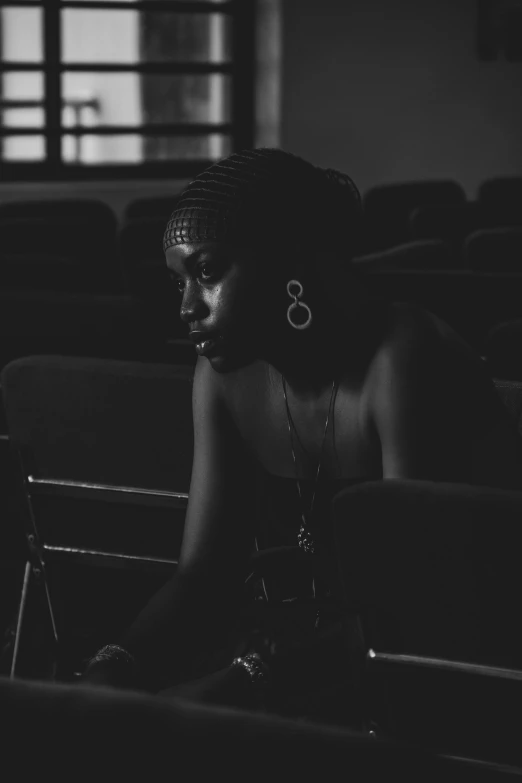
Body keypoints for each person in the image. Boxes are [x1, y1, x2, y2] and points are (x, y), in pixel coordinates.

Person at [83, 148, 522, 716]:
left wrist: (240, 683)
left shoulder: (402, 358)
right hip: (309, 652)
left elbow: (417, 610)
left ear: (285, 259)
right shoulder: (224, 374)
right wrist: (115, 662)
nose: (189, 306)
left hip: (450, 664)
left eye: (209, 272)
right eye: (179, 281)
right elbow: (203, 575)